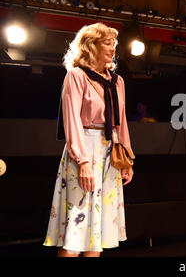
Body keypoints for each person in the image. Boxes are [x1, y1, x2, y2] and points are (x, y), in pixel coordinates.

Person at [43, 22, 135, 257]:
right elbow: (71, 120)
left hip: (109, 153)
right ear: (90, 46)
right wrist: (82, 161)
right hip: (84, 149)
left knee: (97, 234)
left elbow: (120, 122)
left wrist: (126, 160)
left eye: (113, 43)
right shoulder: (76, 76)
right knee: (76, 227)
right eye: (107, 43)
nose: (112, 48)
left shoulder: (117, 81)